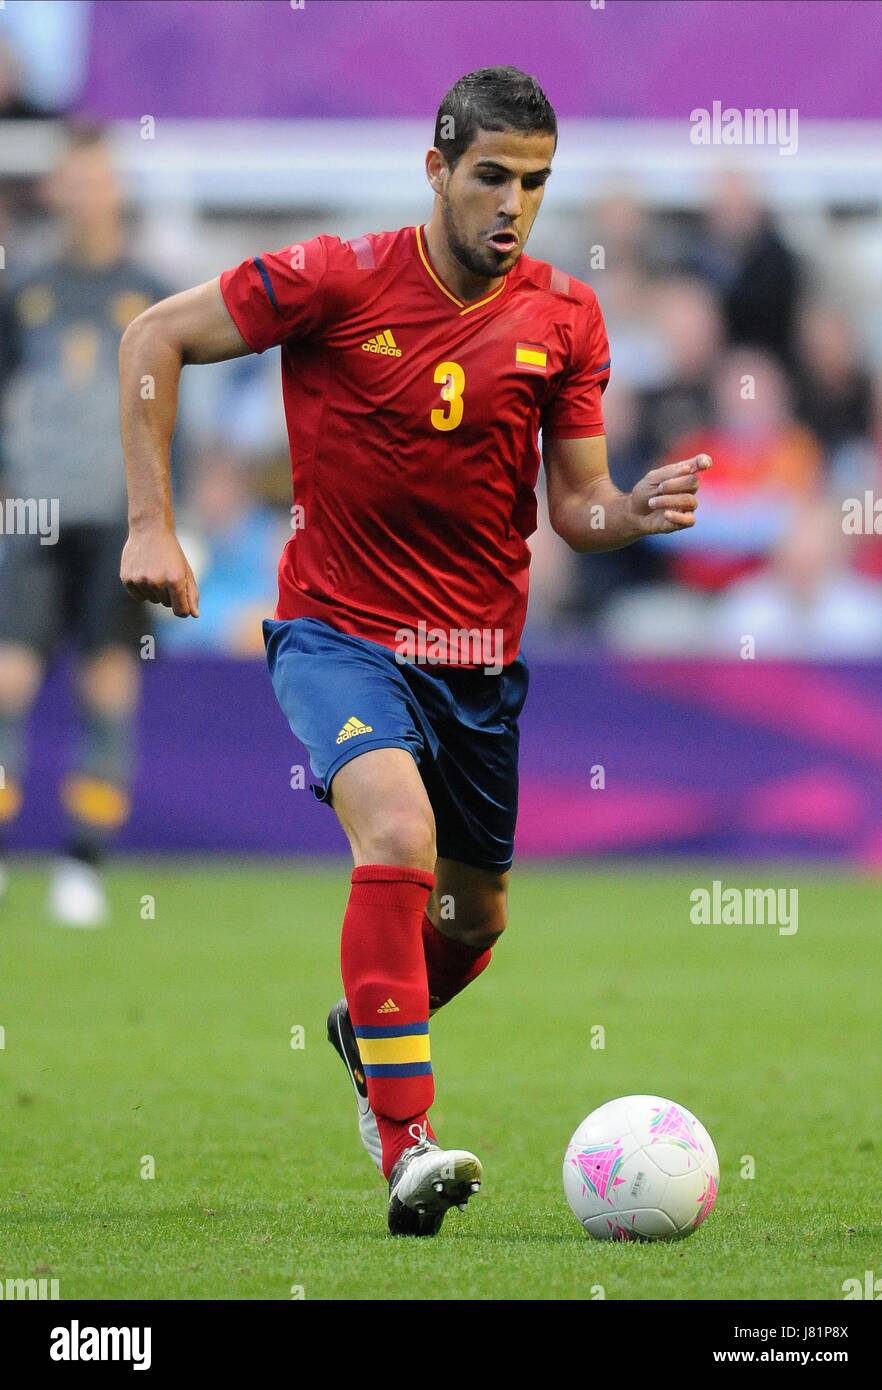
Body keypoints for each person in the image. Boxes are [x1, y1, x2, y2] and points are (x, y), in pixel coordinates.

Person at [118, 67, 709, 1236]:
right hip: (338, 630)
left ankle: (367, 1029)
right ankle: (406, 1137)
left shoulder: (564, 317)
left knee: (475, 918)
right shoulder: (336, 281)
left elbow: (576, 506)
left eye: (535, 183)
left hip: (477, 661)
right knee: (396, 832)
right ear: (436, 170)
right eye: (491, 175)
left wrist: (629, 513)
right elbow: (154, 334)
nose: (513, 204)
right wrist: (151, 518)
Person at [0, 122, 172, 925]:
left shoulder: (151, 290)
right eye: (73, 178)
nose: (84, 192)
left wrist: (170, 514)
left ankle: (82, 865)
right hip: (32, 514)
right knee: (8, 679)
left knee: (108, 683)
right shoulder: (22, 288)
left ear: (116, 188)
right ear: (56, 190)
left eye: (97, 177)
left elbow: (175, 410)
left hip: (122, 519)